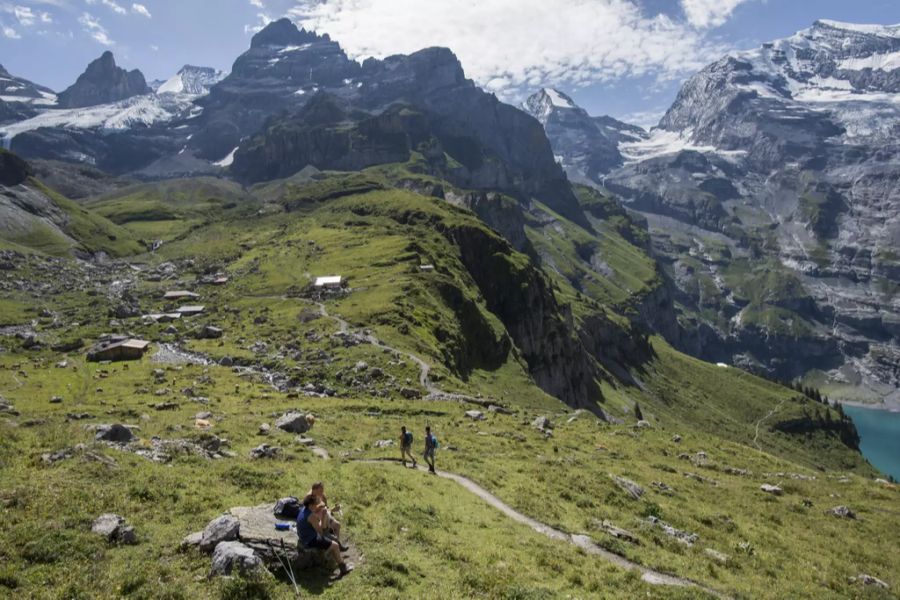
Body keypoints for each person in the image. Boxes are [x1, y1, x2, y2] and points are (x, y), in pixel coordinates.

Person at [297, 494, 353, 577]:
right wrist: (323, 517)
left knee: (331, 539)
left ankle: (337, 559)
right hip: (310, 540)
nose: (317, 505)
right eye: (316, 503)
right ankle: (343, 568)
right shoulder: (311, 516)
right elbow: (320, 531)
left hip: (303, 535)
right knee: (335, 545)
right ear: (311, 505)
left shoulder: (303, 510)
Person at [308, 481, 348, 552]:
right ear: (315, 490)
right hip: (319, 519)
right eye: (320, 491)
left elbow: (326, 509)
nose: (322, 492)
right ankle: (336, 546)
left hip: (325, 515)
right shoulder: (310, 498)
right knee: (326, 528)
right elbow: (312, 512)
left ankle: (337, 545)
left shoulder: (322, 496)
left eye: (322, 490)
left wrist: (333, 509)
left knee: (337, 525)